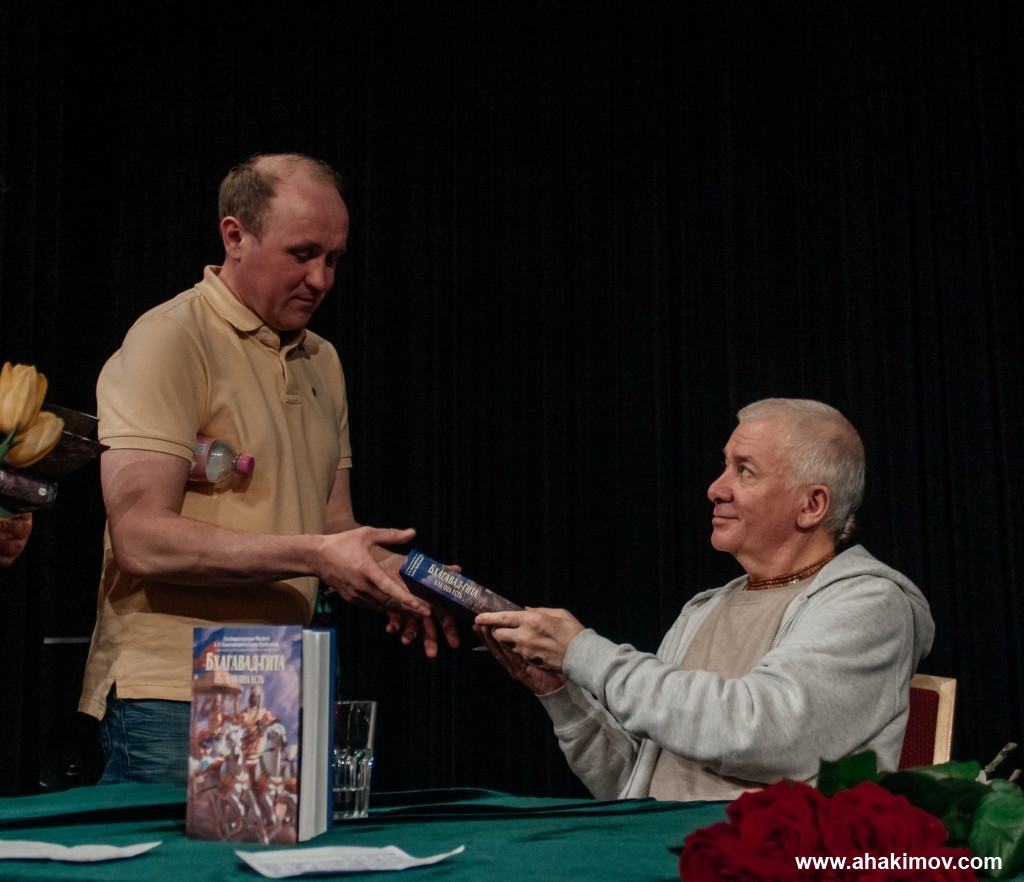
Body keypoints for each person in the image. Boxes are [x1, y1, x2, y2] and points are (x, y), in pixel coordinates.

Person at [79, 153, 458, 785]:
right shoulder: (170, 338)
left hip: (278, 683)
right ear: (235, 236)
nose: (321, 278)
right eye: (302, 254)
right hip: (177, 691)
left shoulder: (322, 360)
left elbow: (332, 529)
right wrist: (315, 556)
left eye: (333, 258)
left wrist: (405, 579)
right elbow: (141, 538)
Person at [475, 398, 934, 801]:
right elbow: (636, 787)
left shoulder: (871, 603)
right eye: (725, 466)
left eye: (744, 470)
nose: (716, 488)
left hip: (774, 860)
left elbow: (754, 730)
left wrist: (582, 652)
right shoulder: (704, 608)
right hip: (661, 849)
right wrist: (560, 691)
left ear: (812, 505)